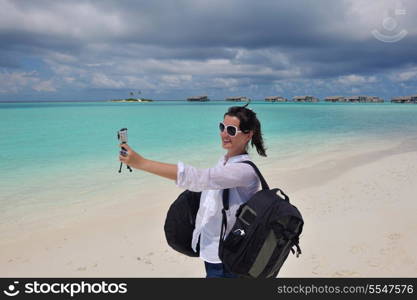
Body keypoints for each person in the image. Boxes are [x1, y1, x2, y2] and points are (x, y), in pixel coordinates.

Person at [118, 104, 267, 278]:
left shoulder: (243, 171)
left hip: (228, 258)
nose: (224, 134)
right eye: (222, 127)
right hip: (214, 252)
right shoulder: (225, 162)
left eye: (232, 130)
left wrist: (142, 163)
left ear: (248, 135)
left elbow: (199, 178)